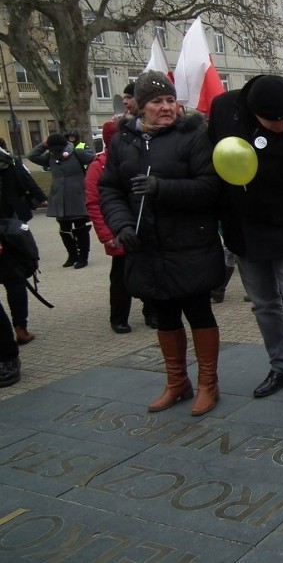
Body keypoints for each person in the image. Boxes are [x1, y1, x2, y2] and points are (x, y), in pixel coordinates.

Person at [99, 70, 224, 416]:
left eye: (170, 100)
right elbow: (110, 188)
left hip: (190, 244)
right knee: (165, 317)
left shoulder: (194, 136)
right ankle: (176, 382)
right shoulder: (123, 141)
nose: (166, 107)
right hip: (147, 247)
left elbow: (210, 187)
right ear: (141, 107)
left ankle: (208, 385)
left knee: (198, 313)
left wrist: (163, 188)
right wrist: (121, 224)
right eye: (157, 101)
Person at [209, 75, 283, 415]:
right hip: (244, 229)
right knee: (264, 304)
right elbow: (213, 165)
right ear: (253, 111)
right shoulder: (224, 109)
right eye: (274, 120)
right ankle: (282, 367)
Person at [85, 121, 157, 333]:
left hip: (142, 227)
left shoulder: (141, 158)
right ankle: (118, 317)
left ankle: (151, 312)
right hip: (120, 230)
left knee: (148, 272)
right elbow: (94, 203)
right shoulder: (99, 166)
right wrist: (108, 234)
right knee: (120, 278)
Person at [27, 132, 94, 269]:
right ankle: (72, 255)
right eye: (52, 148)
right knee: (64, 229)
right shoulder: (50, 156)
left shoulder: (77, 153)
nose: (55, 151)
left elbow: (95, 161)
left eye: (56, 148)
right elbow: (32, 156)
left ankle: (83, 257)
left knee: (80, 227)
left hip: (77, 196)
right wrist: (45, 144)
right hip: (59, 197)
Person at [0, 143, 36, 344]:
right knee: (14, 281)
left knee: (14, 282)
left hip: (8, 228)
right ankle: (20, 328)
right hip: (9, 227)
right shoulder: (8, 159)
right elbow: (23, 182)